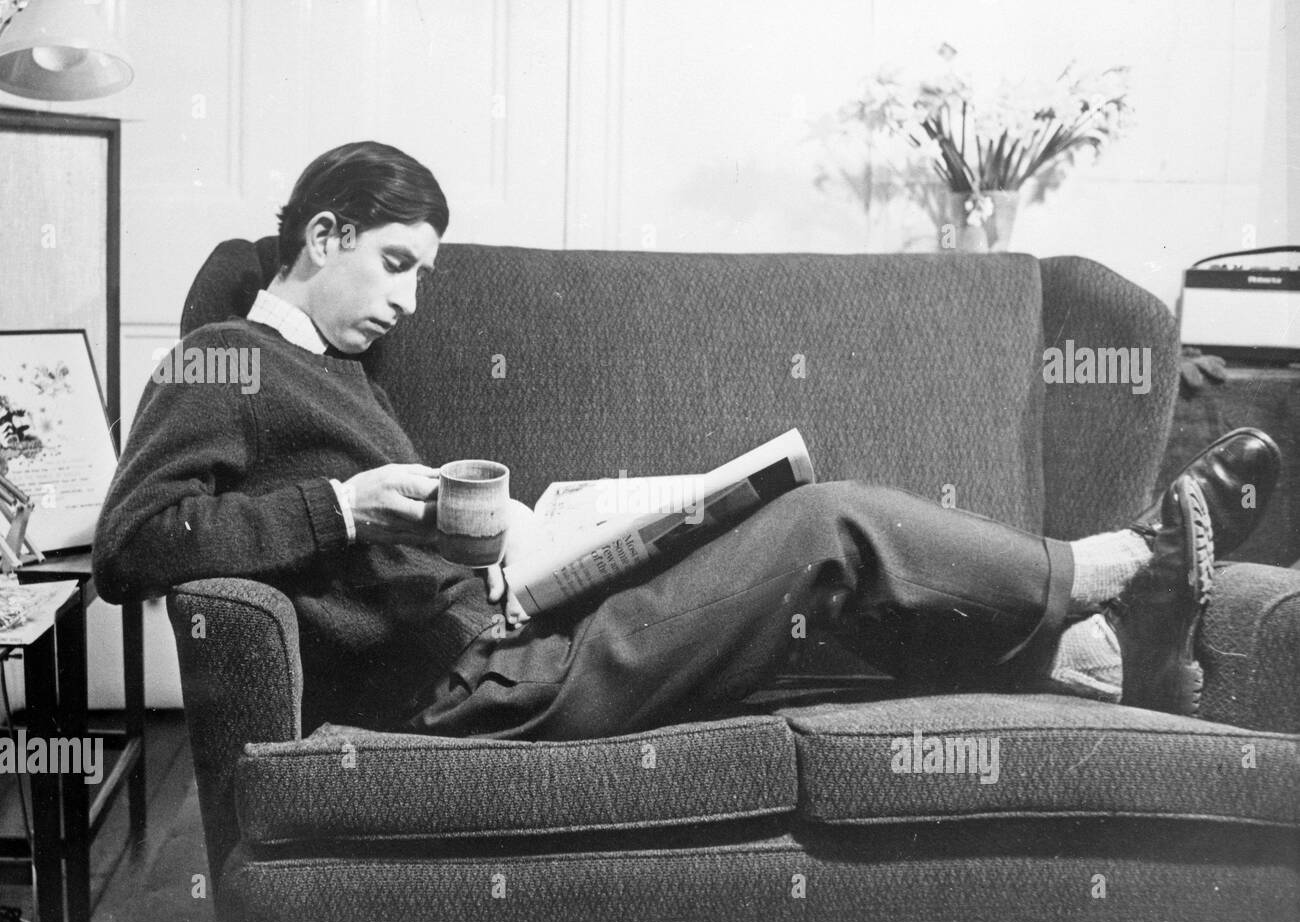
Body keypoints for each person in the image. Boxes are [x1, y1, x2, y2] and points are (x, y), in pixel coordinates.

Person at [92, 141, 1280, 741]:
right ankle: (1113, 564)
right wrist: (349, 512)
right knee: (830, 522)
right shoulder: (228, 357)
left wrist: (505, 538)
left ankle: (1097, 657)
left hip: (512, 622)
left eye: (424, 273)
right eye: (395, 263)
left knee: (814, 599)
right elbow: (130, 549)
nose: (410, 299)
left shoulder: (333, 364)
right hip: (470, 687)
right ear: (324, 231)